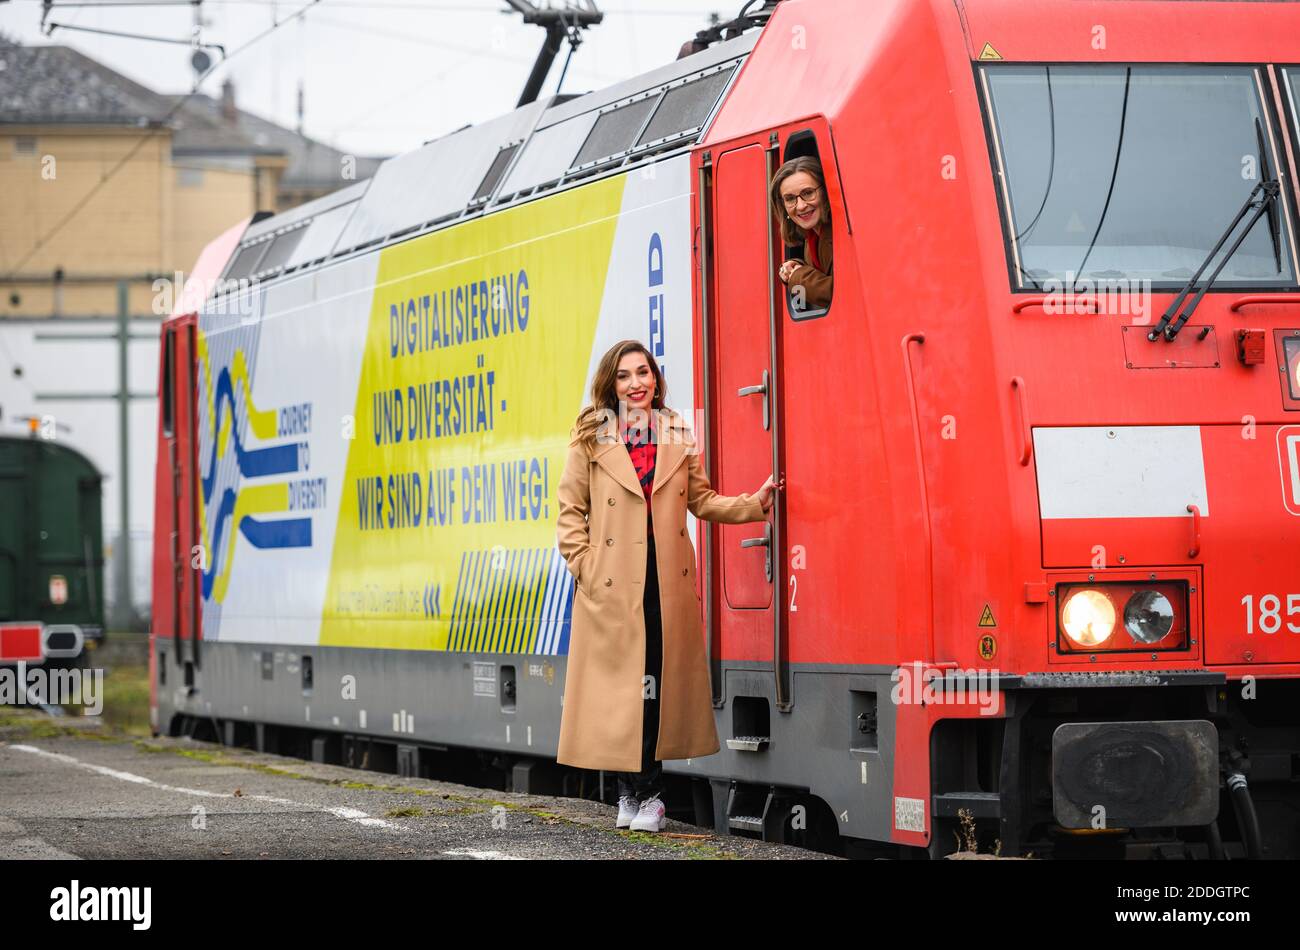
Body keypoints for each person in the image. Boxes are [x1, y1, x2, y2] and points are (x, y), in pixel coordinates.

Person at [554, 340, 782, 832]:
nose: (636, 383)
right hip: (612, 588)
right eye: (624, 375)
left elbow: (701, 500)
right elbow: (571, 513)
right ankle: (628, 792)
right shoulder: (591, 436)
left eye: (644, 372)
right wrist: (588, 568)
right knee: (622, 695)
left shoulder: (677, 431)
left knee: (654, 692)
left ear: (655, 379)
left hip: (665, 584)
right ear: (610, 385)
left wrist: (753, 504)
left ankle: (650, 796)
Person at [770, 156, 833, 311]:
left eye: (808, 193)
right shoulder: (811, 236)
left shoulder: (837, 234)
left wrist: (797, 276)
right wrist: (797, 266)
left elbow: (843, 293)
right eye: (790, 199)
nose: (801, 206)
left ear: (825, 191)